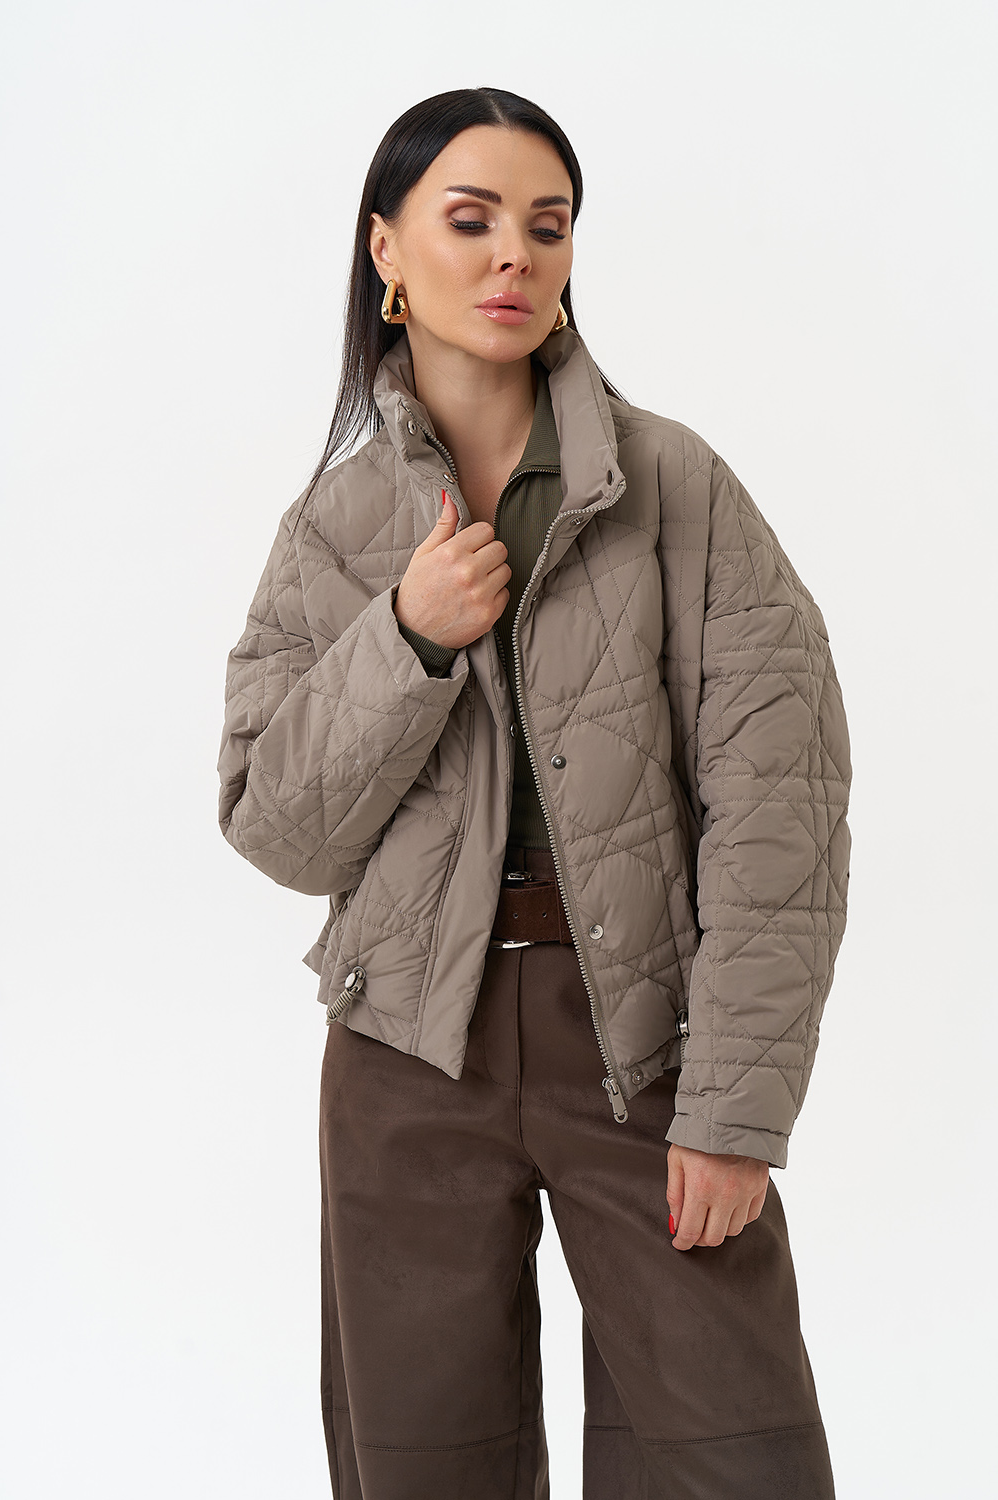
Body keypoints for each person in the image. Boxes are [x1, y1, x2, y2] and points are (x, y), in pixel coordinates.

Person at [217, 86, 852, 1500]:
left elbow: (782, 811)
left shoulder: (675, 488)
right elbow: (274, 824)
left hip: (644, 1041)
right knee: (421, 1462)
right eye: (471, 219)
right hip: (404, 1053)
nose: (515, 253)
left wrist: (734, 1109)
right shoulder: (333, 526)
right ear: (387, 251)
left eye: (547, 225)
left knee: (733, 1456)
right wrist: (406, 636)